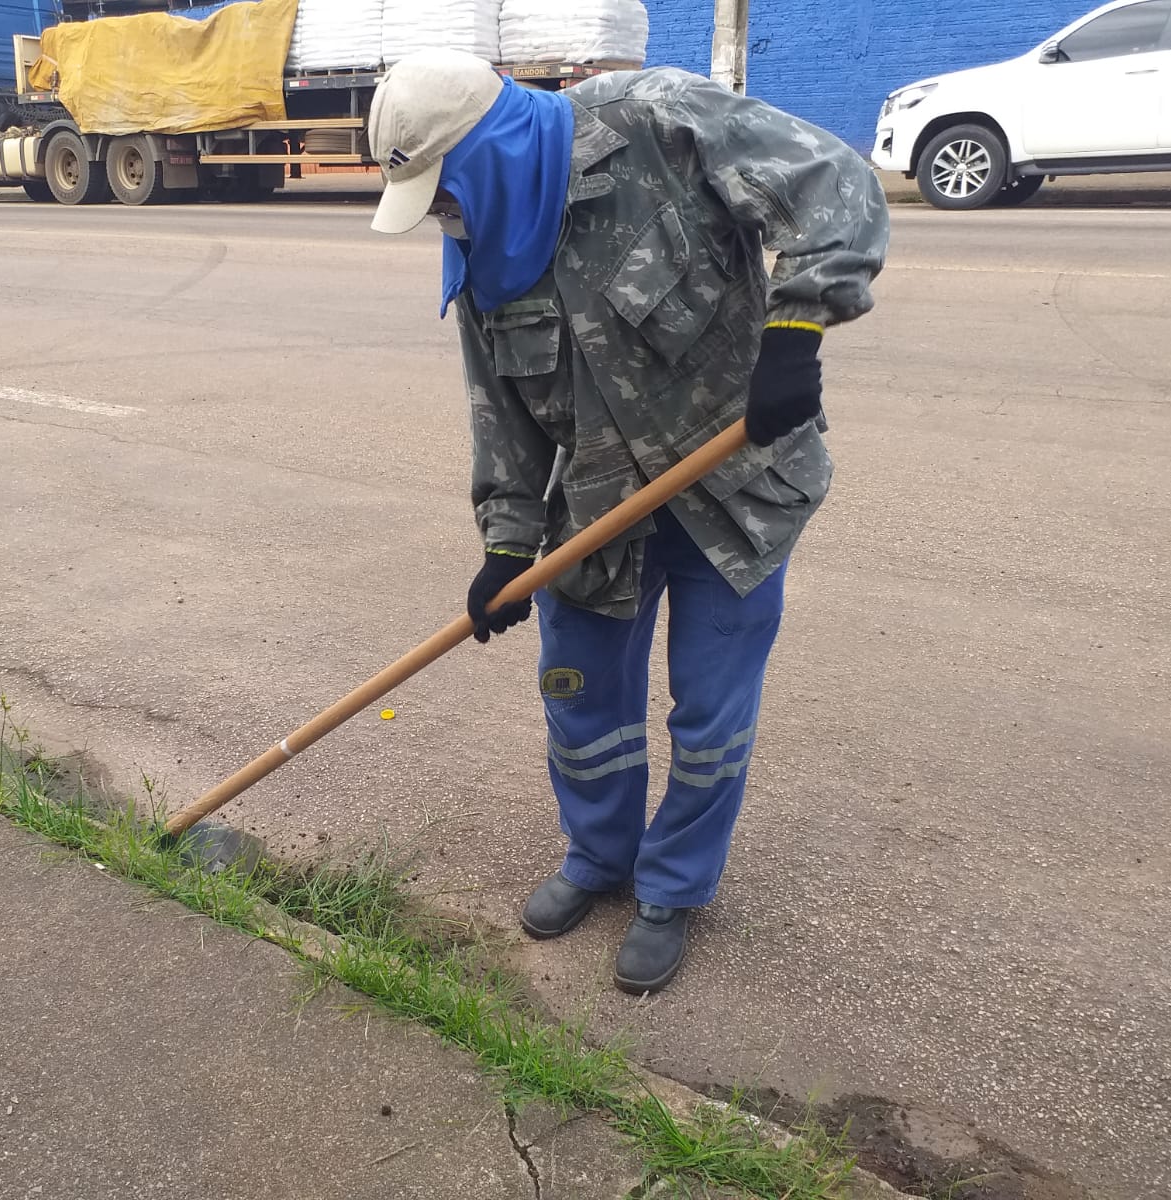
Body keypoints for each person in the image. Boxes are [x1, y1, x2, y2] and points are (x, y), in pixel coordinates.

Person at [367, 50, 888, 994]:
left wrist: (797, 330)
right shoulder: (485, 243)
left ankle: (673, 887)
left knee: (710, 716)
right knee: (579, 698)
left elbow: (831, 181)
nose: (446, 218)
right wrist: (505, 542)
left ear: (487, 155)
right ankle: (599, 857)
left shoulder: (659, 118)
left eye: (446, 194)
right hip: (600, 508)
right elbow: (502, 410)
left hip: (735, 487)